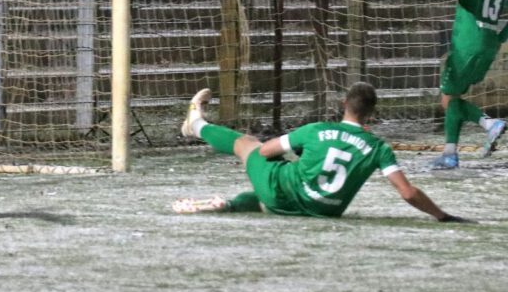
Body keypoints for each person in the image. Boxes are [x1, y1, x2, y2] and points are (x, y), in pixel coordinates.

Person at [174, 83, 472, 222]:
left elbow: (266, 151)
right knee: (272, 194)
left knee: (248, 145)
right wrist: (441, 215)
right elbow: (407, 193)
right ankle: (230, 205)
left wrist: (297, 153)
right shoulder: (379, 148)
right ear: (371, 112)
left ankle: (196, 123)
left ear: (344, 104)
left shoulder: (317, 130)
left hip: (285, 191)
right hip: (322, 210)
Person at [424, 0, 508, 169]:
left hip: (467, 45)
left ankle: (488, 124)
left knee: (448, 98)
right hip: (489, 44)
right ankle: (450, 154)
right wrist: (497, 38)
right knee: (451, 97)